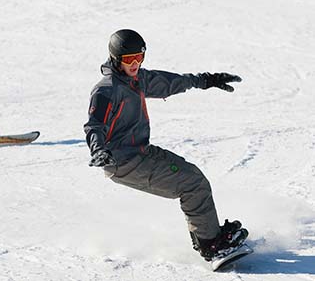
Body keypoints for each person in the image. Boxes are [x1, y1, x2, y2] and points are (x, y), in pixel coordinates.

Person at [84, 29, 248, 261]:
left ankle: (210, 238)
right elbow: (94, 125)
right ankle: (211, 246)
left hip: (141, 152)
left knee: (194, 178)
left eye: (139, 58)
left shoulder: (137, 79)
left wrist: (206, 79)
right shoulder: (106, 90)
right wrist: (98, 150)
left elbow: (171, 82)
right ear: (115, 58)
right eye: (129, 60)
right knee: (192, 184)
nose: (135, 64)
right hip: (123, 161)